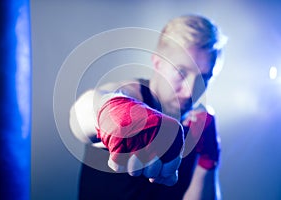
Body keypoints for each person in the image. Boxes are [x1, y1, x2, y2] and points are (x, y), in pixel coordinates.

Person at [70, 14, 226, 200]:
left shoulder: (197, 123)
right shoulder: (131, 94)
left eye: (204, 78)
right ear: (158, 63)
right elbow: (81, 112)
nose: (190, 91)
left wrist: (208, 162)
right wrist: (114, 113)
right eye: (181, 72)